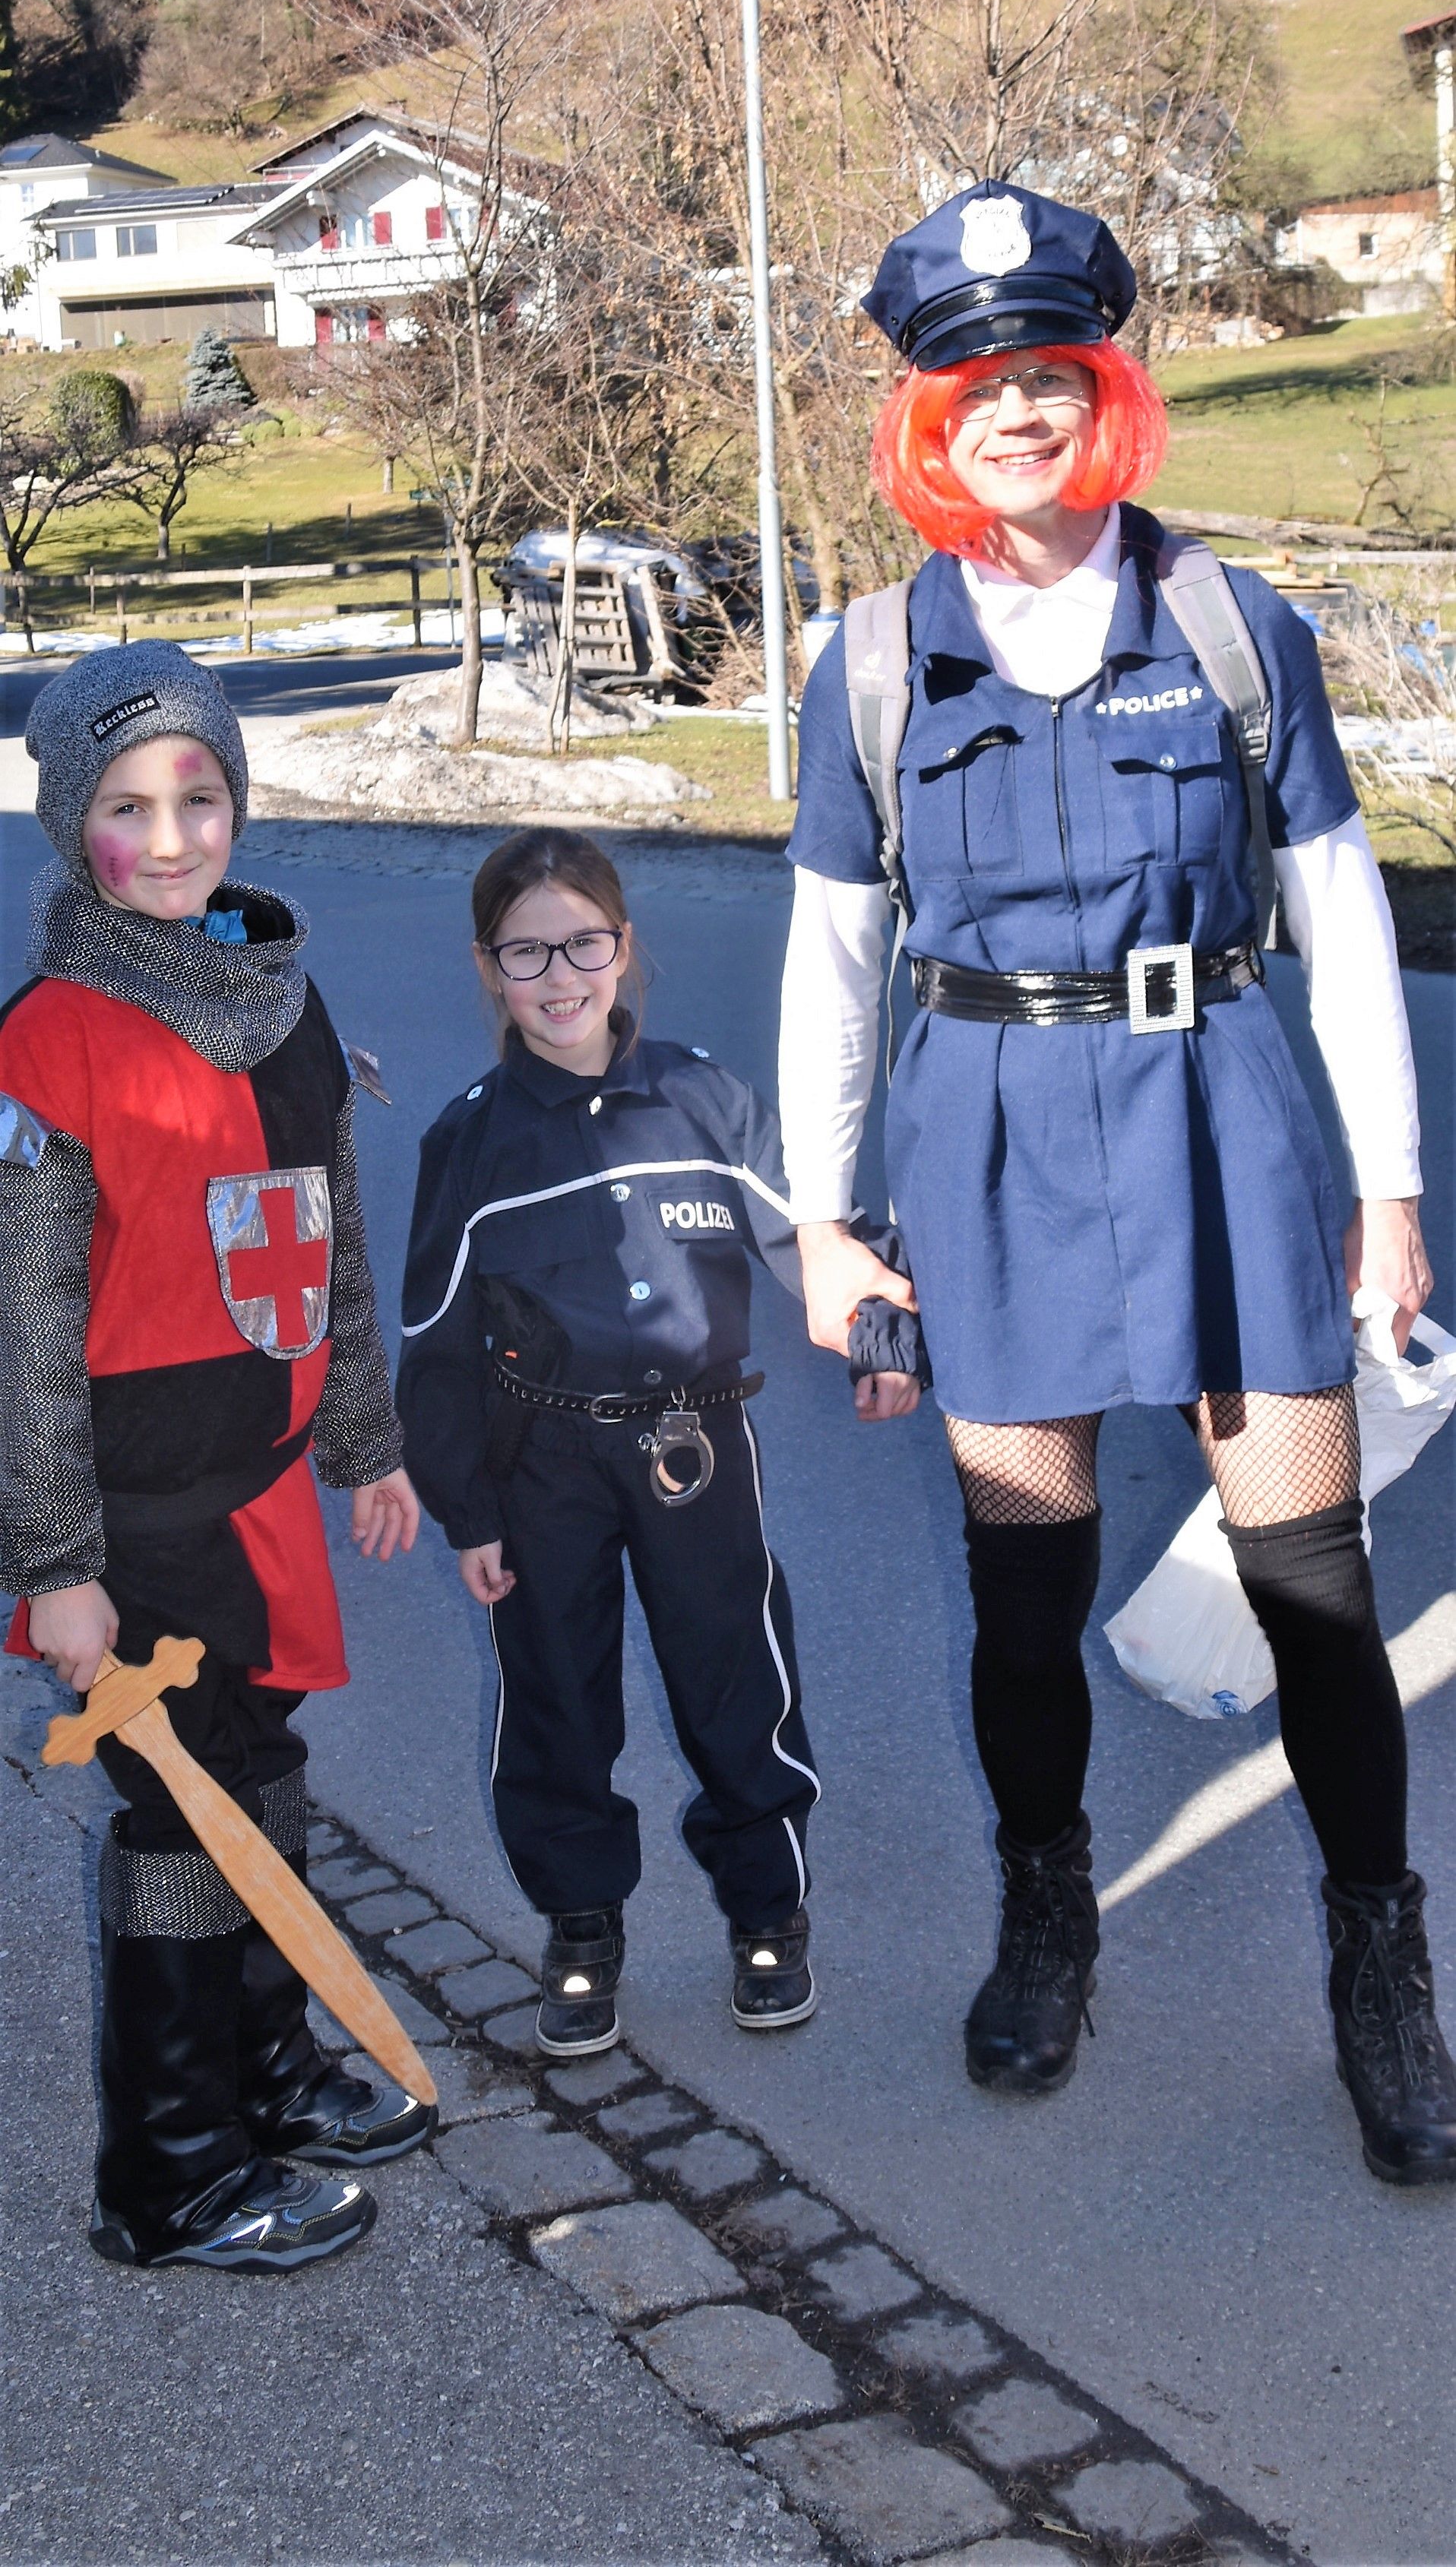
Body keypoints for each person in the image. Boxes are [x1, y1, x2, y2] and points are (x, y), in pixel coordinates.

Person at [777, 180, 1452, 2185]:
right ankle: (1047, 1914)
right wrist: (821, 1223)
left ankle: (1379, 1971)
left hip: (1218, 1106)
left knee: (1311, 1584)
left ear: (1103, 392)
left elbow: (1341, 919)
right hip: (985, 1134)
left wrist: (1390, 1190)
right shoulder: (870, 662)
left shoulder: (1234, 630)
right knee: (1024, 1593)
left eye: (1048, 371)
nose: (1014, 407)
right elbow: (830, 960)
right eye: (973, 381)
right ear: (928, 418)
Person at [0, 643, 428, 2271]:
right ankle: (170, 2175)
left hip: (255, 1501)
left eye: (198, 796)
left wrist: (365, 1444)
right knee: (184, 1822)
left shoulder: (282, 1000)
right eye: (126, 806)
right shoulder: (50, 1043)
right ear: (70, 823)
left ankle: (270, 2074)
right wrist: (56, 1569)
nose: (171, 837)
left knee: (262, 1776)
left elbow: (332, 1250)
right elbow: (23, 1339)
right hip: (134, 1522)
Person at [397, 828, 923, 2057]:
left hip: (696, 1445)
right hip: (540, 1460)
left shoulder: (703, 1099)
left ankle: (768, 1911)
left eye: (584, 944)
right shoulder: (470, 1141)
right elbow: (434, 1339)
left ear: (625, 948)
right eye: (527, 953)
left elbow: (815, 1235)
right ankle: (582, 1926)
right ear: (487, 968)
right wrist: (468, 1509)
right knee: (555, 1698)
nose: (560, 977)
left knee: (736, 1678)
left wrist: (881, 1339)